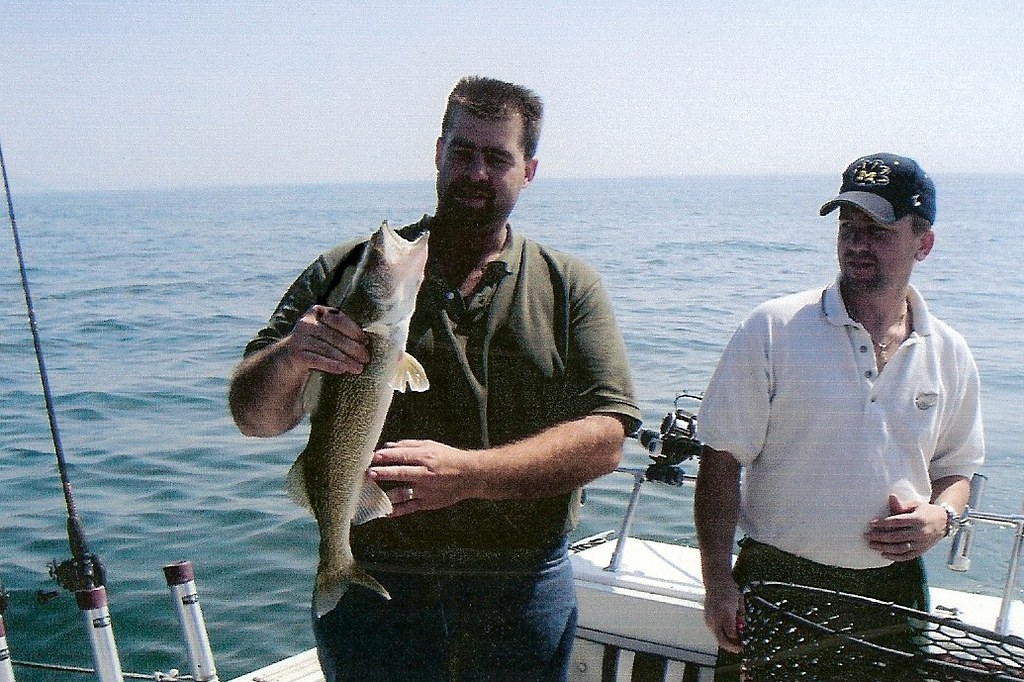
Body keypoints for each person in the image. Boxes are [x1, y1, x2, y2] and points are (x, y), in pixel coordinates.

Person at [228, 76, 641, 682]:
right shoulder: (347, 272)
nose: (475, 172)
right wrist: (293, 355)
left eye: (497, 157)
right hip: (379, 588)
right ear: (438, 153)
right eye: (462, 152)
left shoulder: (567, 284)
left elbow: (606, 440)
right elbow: (253, 417)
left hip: (520, 586)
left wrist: (470, 475)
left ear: (529, 171)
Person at [693, 153, 984, 679]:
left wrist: (941, 518)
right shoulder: (773, 327)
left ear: (924, 243)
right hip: (776, 584)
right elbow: (720, 461)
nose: (857, 243)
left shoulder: (950, 351)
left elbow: (956, 469)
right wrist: (717, 583)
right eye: (848, 227)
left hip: (893, 594)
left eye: (878, 230)